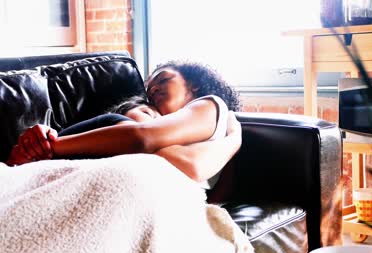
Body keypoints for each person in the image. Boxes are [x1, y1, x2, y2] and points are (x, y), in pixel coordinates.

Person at [6, 60, 241, 188]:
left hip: (137, 184)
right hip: (97, 159)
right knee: (119, 122)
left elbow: (186, 166)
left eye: (164, 79)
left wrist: (233, 141)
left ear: (195, 85)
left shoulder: (211, 106)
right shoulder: (145, 111)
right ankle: (26, 165)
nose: (154, 88)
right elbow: (142, 139)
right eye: (149, 87)